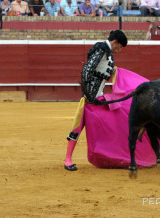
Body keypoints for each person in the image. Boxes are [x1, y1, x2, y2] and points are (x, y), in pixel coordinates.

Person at [64, 30, 128, 171]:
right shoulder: (102, 48)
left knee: (112, 120)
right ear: (115, 42)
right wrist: (89, 96)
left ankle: (113, 156)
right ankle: (68, 159)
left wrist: (115, 70)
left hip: (98, 98)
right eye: (120, 47)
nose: (120, 50)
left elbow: (99, 70)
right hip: (90, 99)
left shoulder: (107, 53)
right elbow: (87, 70)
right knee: (78, 126)